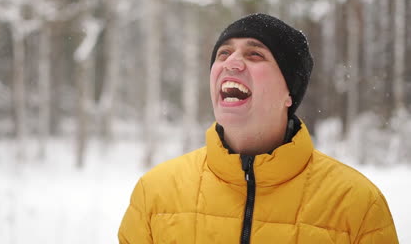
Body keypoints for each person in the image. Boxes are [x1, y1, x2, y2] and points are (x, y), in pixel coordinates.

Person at [118, 13, 398, 243]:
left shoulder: (357, 204)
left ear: (289, 91)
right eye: (223, 53)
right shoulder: (155, 194)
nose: (231, 62)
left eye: (255, 54)